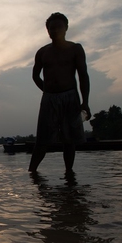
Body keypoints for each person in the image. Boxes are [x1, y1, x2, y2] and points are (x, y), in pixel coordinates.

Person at [28, 12, 90, 173]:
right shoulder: (42, 52)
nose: (55, 31)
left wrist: (85, 102)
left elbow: (83, 76)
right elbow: (35, 76)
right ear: (47, 31)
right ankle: (32, 172)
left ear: (66, 28)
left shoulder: (75, 49)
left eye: (58, 27)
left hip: (70, 97)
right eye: (51, 28)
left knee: (69, 139)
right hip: (49, 98)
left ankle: (69, 173)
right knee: (42, 140)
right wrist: (47, 91)